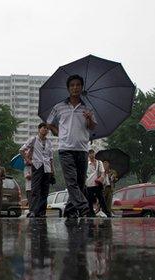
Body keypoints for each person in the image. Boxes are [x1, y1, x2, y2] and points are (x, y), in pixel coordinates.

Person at [47, 75, 96, 218]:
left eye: (78, 85)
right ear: (68, 88)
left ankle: (69, 211)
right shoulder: (59, 107)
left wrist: (89, 119)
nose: (75, 87)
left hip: (82, 149)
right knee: (71, 181)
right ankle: (84, 206)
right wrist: (58, 133)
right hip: (65, 149)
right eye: (72, 85)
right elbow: (49, 123)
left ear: (81, 88)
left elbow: (92, 127)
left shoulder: (87, 108)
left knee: (80, 183)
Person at [21, 122, 54, 218]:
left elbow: (51, 158)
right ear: (39, 129)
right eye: (44, 128)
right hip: (37, 166)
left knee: (45, 191)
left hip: (47, 168)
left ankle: (42, 212)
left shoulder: (49, 142)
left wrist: (53, 170)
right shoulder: (33, 139)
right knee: (35, 189)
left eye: (47, 128)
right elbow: (21, 150)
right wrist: (29, 161)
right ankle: (33, 211)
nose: (46, 130)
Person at [85, 150, 111, 217]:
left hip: (97, 184)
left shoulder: (99, 163)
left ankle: (107, 213)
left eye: (92, 153)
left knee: (101, 199)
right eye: (90, 153)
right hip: (89, 184)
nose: (91, 155)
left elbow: (102, 172)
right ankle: (91, 213)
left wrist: (101, 178)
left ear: (94, 154)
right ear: (88, 155)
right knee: (90, 200)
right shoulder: (87, 164)